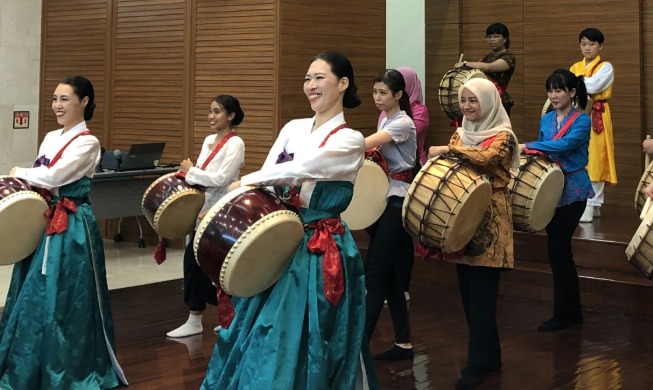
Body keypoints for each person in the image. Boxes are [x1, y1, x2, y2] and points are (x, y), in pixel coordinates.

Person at [200, 51, 378, 389]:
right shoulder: (293, 128)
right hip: (282, 238)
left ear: (343, 84)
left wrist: (249, 179)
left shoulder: (350, 139)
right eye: (307, 78)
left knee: (314, 329)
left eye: (319, 77)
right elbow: (271, 174)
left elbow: (303, 168)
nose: (310, 85)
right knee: (262, 325)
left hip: (321, 248)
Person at [0, 76, 127, 388]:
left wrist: (21, 172)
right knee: (33, 291)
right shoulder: (50, 136)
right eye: (55, 99)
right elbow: (43, 177)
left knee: (68, 295)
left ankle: (67, 367)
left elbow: (54, 175)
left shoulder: (88, 142)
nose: (57, 105)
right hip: (45, 218)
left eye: (65, 99)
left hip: (72, 227)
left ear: (84, 102)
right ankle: (27, 364)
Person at [428, 77, 519, 390]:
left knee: (482, 298)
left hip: (491, 224)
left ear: (489, 102)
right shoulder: (461, 133)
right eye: (463, 101)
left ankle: (475, 365)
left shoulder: (503, 137)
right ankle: (489, 357)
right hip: (464, 219)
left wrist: (451, 151)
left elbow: (489, 158)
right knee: (469, 297)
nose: (466, 107)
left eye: (473, 101)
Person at [166, 95, 245, 338]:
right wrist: (194, 173)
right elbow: (199, 176)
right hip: (200, 208)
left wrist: (192, 171)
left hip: (222, 210)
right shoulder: (208, 140)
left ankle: (232, 315)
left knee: (220, 265)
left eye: (217, 112)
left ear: (230, 116)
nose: (211, 116)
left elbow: (221, 179)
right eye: (210, 111)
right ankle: (195, 318)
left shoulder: (236, 143)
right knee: (194, 262)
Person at [521, 69, 592, 332]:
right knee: (557, 251)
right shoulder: (548, 118)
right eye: (550, 91)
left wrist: (529, 146)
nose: (553, 95)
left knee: (559, 250)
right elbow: (543, 148)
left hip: (573, 190)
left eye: (558, 90)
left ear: (572, 93)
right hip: (550, 188)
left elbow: (564, 146)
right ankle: (570, 311)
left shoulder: (581, 121)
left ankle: (565, 313)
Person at [365, 69, 417, 360]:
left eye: (383, 92)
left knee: (374, 274)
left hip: (398, 199)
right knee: (390, 277)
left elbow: (365, 145)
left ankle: (358, 346)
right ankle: (403, 342)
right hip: (385, 198)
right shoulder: (386, 118)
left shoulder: (403, 122)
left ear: (398, 95)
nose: (377, 98)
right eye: (374, 92)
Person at [570, 28, 616, 222]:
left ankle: (592, 203)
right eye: (583, 44)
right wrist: (579, 84)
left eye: (591, 44)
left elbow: (594, 86)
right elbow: (570, 88)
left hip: (597, 114)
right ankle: (584, 201)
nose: (587, 48)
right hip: (577, 114)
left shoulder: (606, 67)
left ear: (600, 46)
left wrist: (578, 84)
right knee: (579, 156)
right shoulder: (575, 67)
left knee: (597, 158)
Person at [454, 22, 516, 116]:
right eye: (489, 37)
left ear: (505, 39)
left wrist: (465, 63)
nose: (492, 40)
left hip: (500, 100)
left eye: (496, 36)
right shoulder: (487, 57)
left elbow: (488, 68)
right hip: (485, 99)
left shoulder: (508, 57)